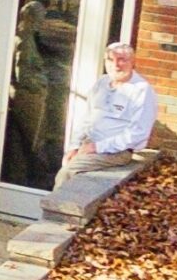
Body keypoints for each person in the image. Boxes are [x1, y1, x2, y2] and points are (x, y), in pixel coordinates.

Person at [58, 42, 158, 185]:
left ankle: (55, 207)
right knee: (67, 165)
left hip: (116, 152)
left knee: (67, 174)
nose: (116, 65)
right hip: (89, 143)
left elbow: (137, 134)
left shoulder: (142, 91)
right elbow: (87, 118)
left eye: (122, 60)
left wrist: (96, 147)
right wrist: (74, 146)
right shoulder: (101, 83)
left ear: (132, 62)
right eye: (111, 60)